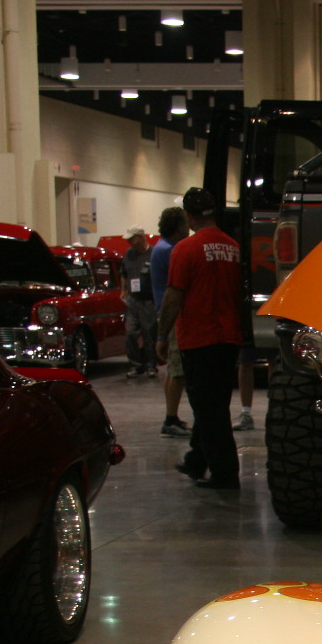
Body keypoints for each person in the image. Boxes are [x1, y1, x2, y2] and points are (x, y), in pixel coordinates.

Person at [158, 188, 243, 490]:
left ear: (189, 216)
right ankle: (197, 459)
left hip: (199, 338)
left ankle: (225, 472)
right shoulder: (233, 248)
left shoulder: (186, 249)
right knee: (214, 402)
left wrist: (161, 335)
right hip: (229, 337)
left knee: (209, 409)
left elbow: (174, 296)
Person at [150, 206, 190, 437]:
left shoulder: (161, 247)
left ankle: (172, 416)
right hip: (173, 316)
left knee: (172, 371)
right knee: (177, 370)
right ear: (178, 226)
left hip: (164, 312)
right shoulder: (171, 250)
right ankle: (170, 419)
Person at [121, 227, 157, 379]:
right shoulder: (129, 254)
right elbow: (123, 273)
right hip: (132, 300)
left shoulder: (153, 253)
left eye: (132, 238)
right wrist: (123, 290)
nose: (129, 241)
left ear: (141, 237)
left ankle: (151, 365)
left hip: (148, 301)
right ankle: (135, 365)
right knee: (130, 333)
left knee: (149, 334)